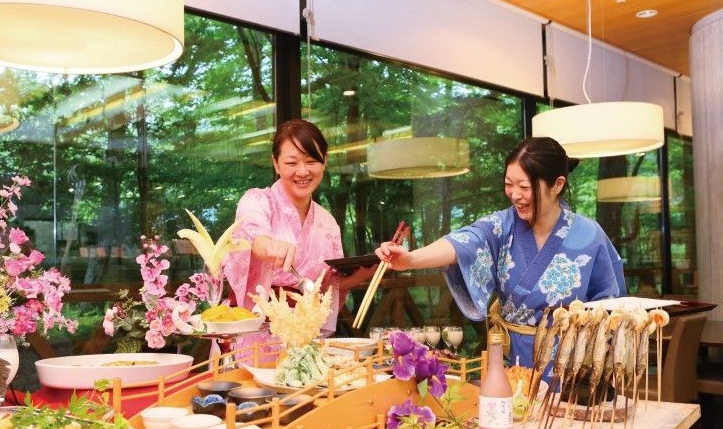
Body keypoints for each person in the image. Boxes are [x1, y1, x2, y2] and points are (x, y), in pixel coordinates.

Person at [375, 137, 626, 367]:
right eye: (508, 184)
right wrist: (411, 259)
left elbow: (611, 308)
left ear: (558, 184)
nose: (515, 195)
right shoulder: (502, 226)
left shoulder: (590, 235)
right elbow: (463, 242)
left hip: (568, 367)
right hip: (509, 362)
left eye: (524, 187)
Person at [224, 119, 374, 340]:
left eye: (311, 161)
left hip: (303, 333)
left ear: (324, 161)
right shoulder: (256, 201)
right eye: (291, 163)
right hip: (255, 327)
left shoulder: (327, 222)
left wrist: (365, 273)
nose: (303, 171)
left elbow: (325, 289)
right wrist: (271, 247)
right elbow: (254, 238)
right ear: (276, 164)